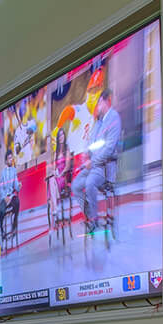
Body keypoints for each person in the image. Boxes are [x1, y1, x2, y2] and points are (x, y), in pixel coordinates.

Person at [74, 84, 123, 233]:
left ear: (105, 101)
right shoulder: (99, 122)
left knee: (89, 184)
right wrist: (86, 154)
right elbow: (91, 144)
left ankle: (94, 221)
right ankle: (90, 215)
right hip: (93, 166)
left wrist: (92, 161)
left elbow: (109, 148)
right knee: (75, 186)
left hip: (104, 167)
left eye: (99, 102)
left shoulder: (114, 118)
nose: (97, 106)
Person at [0, 150, 21, 246]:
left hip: (11, 196)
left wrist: (18, 185)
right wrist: (5, 197)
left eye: (12, 158)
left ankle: (14, 227)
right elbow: (1, 187)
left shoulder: (14, 171)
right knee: (1, 210)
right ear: (6, 161)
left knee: (17, 202)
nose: (11, 159)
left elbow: (16, 186)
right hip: (4, 197)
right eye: (10, 158)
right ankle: (2, 231)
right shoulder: (2, 173)